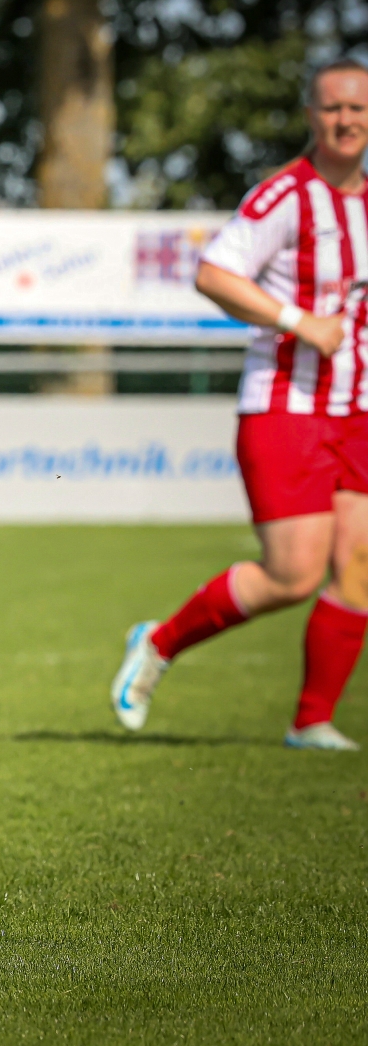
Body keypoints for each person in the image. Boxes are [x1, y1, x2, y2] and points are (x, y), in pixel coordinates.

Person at [112, 57, 368, 750]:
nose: (346, 120)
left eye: (357, 108)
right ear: (311, 115)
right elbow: (214, 273)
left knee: (360, 567)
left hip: (358, 410)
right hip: (285, 406)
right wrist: (298, 320)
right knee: (292, 574)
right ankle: (159, 642)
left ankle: (311, 722)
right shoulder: (286, 196)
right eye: (333, 107)